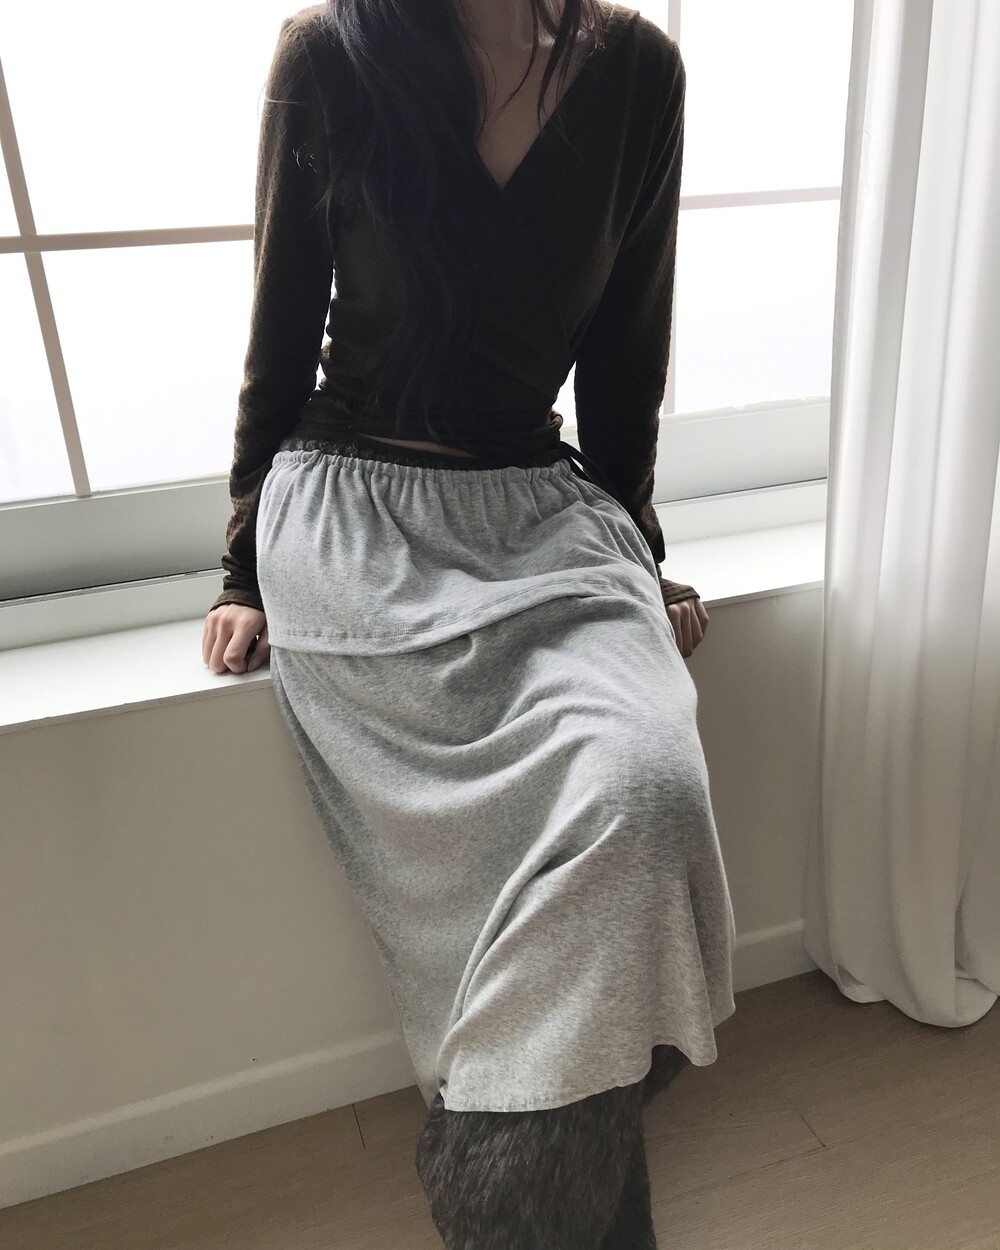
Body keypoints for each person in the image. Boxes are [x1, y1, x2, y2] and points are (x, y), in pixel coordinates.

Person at [202, 1, 736, 1244]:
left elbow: (627, 351)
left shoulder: (639, 74)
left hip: (538, 515)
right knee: (493, 868)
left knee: (646, 787)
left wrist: (635, 551)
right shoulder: (331, 52)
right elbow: (278, 333)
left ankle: (502, 1178)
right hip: (355, 520)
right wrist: (241, 568)